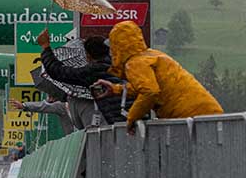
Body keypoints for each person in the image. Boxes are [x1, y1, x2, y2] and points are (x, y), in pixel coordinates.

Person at [93, 20, 224, 135]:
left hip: (190, 118)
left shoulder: (134, 63)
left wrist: (132, 118)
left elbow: (149, 92)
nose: (111, 52)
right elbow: (147, 87)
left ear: (119, 47)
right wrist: (116, 89)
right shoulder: (152, 55)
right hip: (207, 114)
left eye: (113, 47)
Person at [36, 29, 121, 127]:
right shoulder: (121, 66)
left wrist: (46, 47)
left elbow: (58, 71)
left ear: (88, 55)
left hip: (117, 124)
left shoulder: (94, 71)